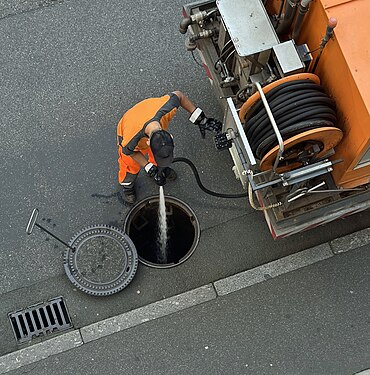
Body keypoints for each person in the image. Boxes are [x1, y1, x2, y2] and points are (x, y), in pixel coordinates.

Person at [116, 91, 222, 203]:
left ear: (169, 136)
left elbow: (179, 96)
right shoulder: (129, 142)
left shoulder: (166, 109)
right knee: (129, 165)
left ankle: (161, 169)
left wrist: (201, 119)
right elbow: (131, 153)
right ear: (148, 143)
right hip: (128, 130)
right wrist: (149, 168)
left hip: (147, 118)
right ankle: (128, 186)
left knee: (159, 155)